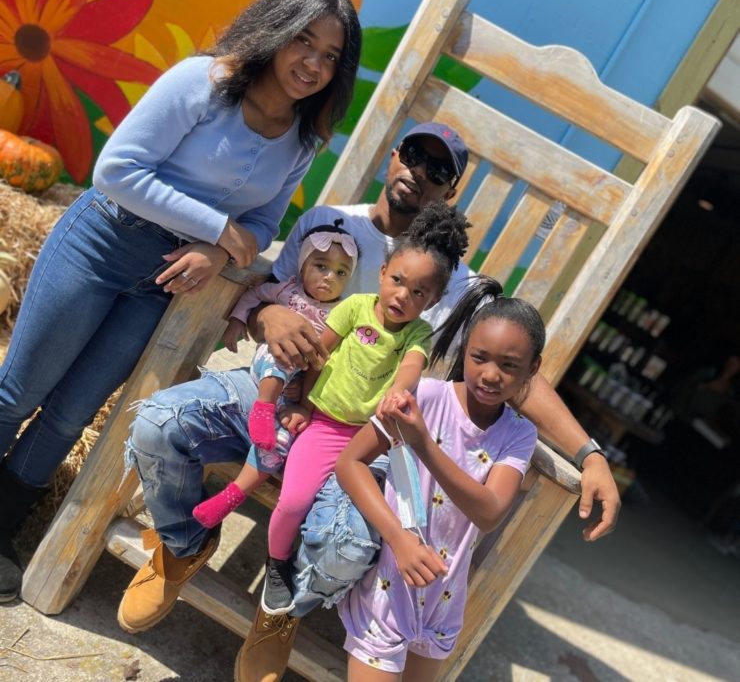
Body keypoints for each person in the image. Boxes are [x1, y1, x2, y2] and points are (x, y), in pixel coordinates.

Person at [115, 122, 620, 680]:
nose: (419, 173)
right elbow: (265, 291)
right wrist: (266, 314)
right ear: (393, 155)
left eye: (439, 171)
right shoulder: (329, 222)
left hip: (363, 440)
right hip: (283, 392)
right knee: (161, 424)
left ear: (448, 193)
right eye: (414, 155)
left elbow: (516, 372)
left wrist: (589, 453)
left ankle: (281, 608)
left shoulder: (459, 287)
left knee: (350, 543)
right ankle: (184, 545)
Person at [0, 0, 361, 604]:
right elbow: (116, 170)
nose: (314, 63)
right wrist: (216, 227)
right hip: (102, 243)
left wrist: (218, 248)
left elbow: (262, 225)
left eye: (332, 56)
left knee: (70, 413)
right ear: (274, 31)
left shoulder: (304, 139)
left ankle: (1, 529)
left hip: (163, 286)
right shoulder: (205, 82)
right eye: (304, 41)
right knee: (19, 391)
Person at [242, 201, 468, 618]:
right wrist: (297, 403)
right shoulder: (355, 307)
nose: (404, 295)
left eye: (419, 292)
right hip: (324, 426)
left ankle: (307, 597)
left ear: (433, 300)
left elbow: (412, 366)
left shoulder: (416, 333)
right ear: (382, 273)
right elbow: (316, 354)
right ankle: (276, 564)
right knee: (292, 503)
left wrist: (398, 394)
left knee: (347, 525)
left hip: (369, 443)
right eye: (398, 280)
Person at [335, 276, 544, 678]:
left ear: (532, 368)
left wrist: (423, 444)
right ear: (465, 350)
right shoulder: (426, 398)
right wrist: (398, 539)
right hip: (389, 585)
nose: (490, 374)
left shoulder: (519, 433)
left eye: (509, 365)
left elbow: (489, 512)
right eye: (479, 357)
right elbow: (350, 464)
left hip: (443, 604)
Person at [192, 219, 359, 527]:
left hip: (293, 388)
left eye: (340, 272)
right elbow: (255, 296)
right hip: (269, 366)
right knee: (280, 351)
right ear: (302, 265)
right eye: (321, 266)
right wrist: (237, 321)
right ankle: (262, 407)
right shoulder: (288, 292)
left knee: (278, 443)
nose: (328, 277)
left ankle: (230, 496)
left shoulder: (342, 314)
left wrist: (304, 401)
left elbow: (331, 361)